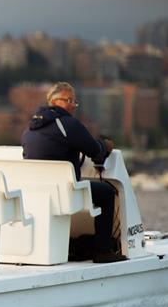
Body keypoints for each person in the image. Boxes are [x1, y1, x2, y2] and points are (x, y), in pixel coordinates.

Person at [21, 82, 126, 263]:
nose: (72, 105)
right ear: (53, 101)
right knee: (106, 193)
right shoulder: (68, 124)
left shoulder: (30, 128)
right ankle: (103, 250)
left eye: (74, 101)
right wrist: (106, 145)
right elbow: (94, 150)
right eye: (68, 100)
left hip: (37, 193)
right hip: (65, 193)